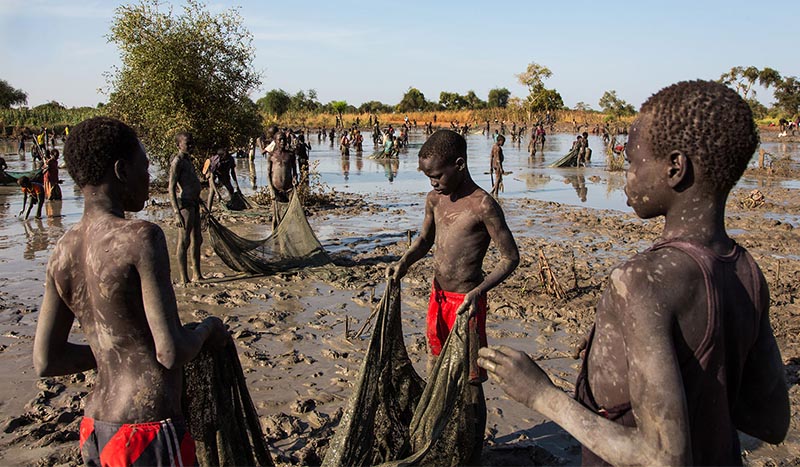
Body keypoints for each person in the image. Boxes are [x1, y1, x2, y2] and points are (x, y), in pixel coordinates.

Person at [478, 80, 790, 466]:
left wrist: (541, 395)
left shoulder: (641, 280)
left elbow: (662, 457)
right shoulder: (747, 270)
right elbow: (771, 421)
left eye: (631, 162)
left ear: (675, 168)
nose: (626, 174)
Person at [32, 116, 228, 466]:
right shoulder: (141, 237)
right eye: (144, 166)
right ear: (122, 171)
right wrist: (208, 329)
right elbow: (170, 352)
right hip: (147, 427)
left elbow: (46, 361)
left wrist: (114, 353)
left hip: (94, 428)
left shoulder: (61, 251)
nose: (148, 176)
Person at [387, 129, 519, 464]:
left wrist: (478, 292)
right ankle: (444, 438)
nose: (433, 183)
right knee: (436, 368)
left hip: (467, 303)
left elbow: (510, 258)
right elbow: (425, 241)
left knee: (470, 379)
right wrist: (404, 261)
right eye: (428, 177)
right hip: (438, 298)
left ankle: (472, 451)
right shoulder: (434, 200)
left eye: (437, 176)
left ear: (459, 165)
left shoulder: (483, 205)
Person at [169, 132, 204, 285]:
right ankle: (184, 278)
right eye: (187, 144)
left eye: (191, 143)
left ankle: (197, 274)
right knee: (184, 241)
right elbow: (170, 188)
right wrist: (176, 213)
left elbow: (192, 181)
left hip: (195, 203)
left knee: (197, 240)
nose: (190, 146)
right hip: (185, 205)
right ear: (179, 145)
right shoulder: (177, 161)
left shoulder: (188, 159)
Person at [267, 131, 297, 229]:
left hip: (288, 190)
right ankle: (275, 239)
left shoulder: (290, 155)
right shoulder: (272, 155)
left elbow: (294, 172)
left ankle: (286, 237)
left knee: (288, 215)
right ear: (275, 141)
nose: (282, 141)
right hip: (276, 190)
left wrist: (295, 179)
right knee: (276, 217)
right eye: (280, 139)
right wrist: (271, 190)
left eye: (284, 139)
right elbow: (268, 174)